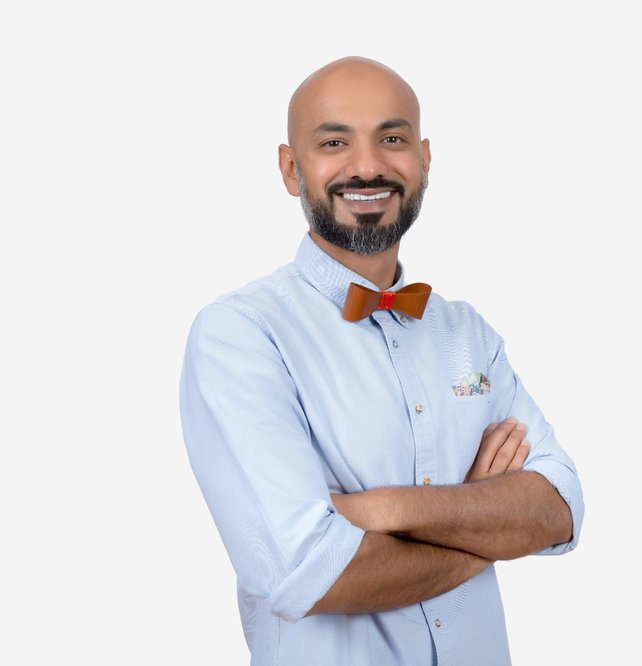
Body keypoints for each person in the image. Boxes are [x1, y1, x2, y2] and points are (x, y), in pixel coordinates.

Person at [179, 56, 584, 665]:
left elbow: (559, 508)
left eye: (391, 139)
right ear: (291, 169)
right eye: (334, 141)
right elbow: (312, 573)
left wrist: (385, 511)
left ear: (423, 160)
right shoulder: (240, 335)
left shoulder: (467, 333)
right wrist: (485, 519)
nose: (367, 166)